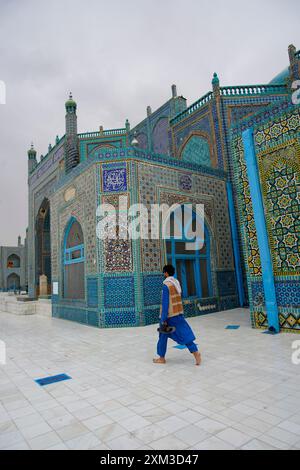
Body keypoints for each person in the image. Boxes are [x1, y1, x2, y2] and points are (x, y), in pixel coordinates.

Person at [153, 265, 202, 366]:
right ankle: (195, 352)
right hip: (178, 313)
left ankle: (162, 358)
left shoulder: (166, 285)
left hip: (169, 316)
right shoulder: (176, 283)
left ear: (166, 273)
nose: (163, 274)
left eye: (164, 272)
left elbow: (166, 303)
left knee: (163, 335)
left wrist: (163, 319)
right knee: (182, 334)